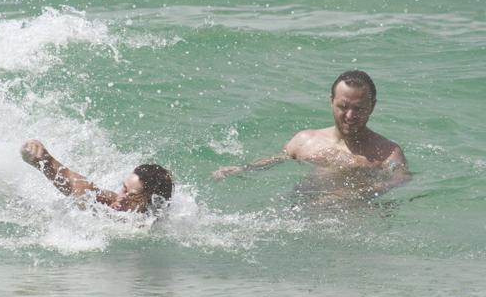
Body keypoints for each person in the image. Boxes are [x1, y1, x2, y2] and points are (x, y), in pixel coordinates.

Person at [212, 70, 410, 199]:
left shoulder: (386, 152)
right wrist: (243, 169)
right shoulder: (306, 140)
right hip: (300, 211)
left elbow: (400, 179)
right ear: (331, 101)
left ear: (372, 106)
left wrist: (353, 194)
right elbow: (278, 159)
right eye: (343, 106)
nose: (350, 115)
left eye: (358, 108)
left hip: (349, 217)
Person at [21, 139, 174, 213]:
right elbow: (69, 178)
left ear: (152, 201)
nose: (121, 198)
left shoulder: (157, 225)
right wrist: (39, 158)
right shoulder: (103, 201)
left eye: (132, 196)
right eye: (124, 189)